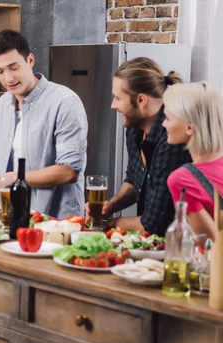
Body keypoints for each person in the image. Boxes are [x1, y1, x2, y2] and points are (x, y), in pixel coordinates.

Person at [0, 30, 88, 219]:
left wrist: (10, 178)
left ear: (30, 60)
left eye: (14, 67)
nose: (8, 78)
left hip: (54, 220)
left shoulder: (65, 102)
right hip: (6, 217)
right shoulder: (2, 104)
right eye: (0, 71)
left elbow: (68, 171)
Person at [92, 57, 192, 236]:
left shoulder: (171, 140)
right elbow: (133, 180)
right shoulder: (134, 128)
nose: (112, 105)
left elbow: (154, 224)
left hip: (178, 247)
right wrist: (111, 205)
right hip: (151, 244)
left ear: (141, 100)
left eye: (117, 98)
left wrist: (109, 223)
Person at [164, 82, 223, 239]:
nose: (163, 124)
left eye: (167, 118)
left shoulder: (182, 180)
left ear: (189, 127)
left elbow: (213, 246)